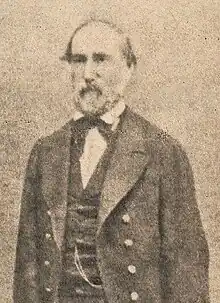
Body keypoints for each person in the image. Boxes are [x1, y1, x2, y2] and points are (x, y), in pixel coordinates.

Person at [13, 19, 210, 303]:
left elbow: (187, 270)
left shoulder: (163, 153)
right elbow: (27, 269)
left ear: (128, 69)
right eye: (79, 60)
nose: (88, 73)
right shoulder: (44, 153)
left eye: (101, 60)